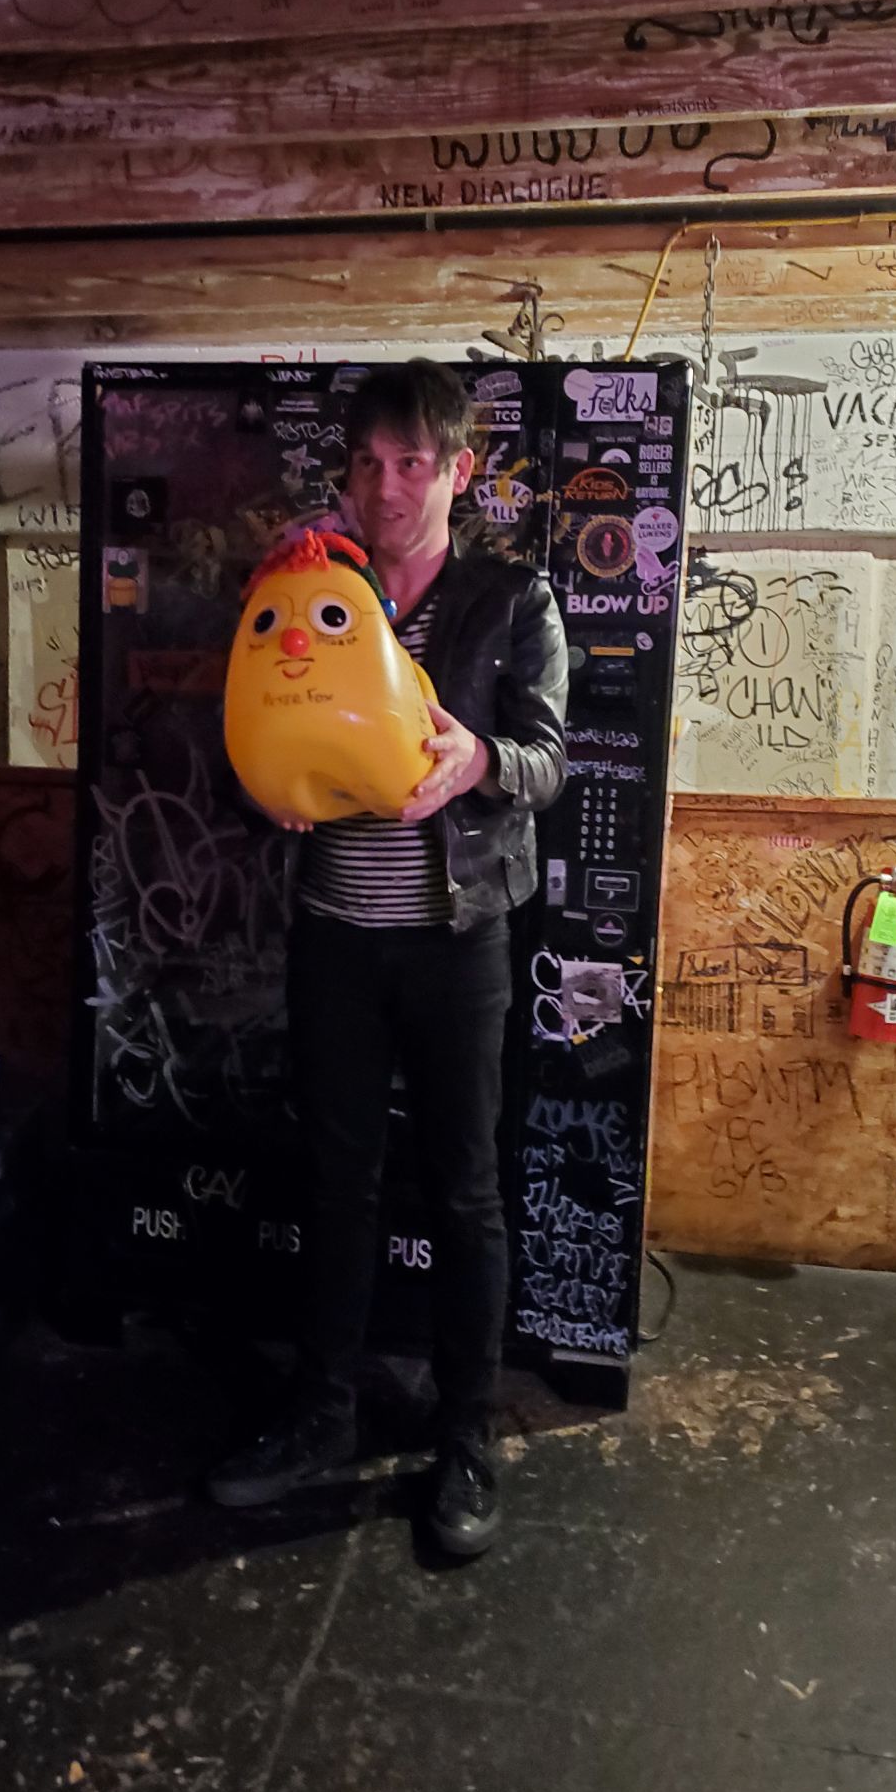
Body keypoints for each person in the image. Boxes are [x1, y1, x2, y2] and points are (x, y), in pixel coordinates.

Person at [208, 359, 568, 1556]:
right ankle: (322, 1410)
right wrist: (263, 796)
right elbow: (248, 734)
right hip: (335, 939)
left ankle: (463, 1435)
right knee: (336, 1183)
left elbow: (549, 761)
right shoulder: (307, 585)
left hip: (457, 942)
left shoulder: (509, 601)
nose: (388, 485)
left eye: (413, 461)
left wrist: (481, 762)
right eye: (367, 463)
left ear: (458, 471)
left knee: (465, 1190)